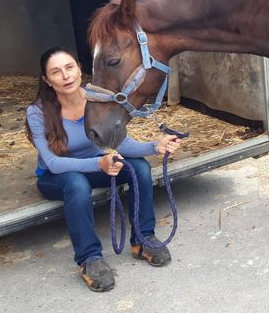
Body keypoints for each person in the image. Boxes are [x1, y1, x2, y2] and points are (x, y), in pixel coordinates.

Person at [24, 47, 182, 292]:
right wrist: (98, 163)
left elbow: (120, 142)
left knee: (139, 167)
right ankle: (89, 259)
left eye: (69, 68)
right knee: (77, 184)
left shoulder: (96, 98)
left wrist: (155, 146)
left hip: (98, 167)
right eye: (56, 72)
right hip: (56, 177)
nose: (65, 76)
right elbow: (53, 163)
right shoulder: (37, 112)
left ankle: (143, 238)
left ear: (79, 69)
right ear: (47, 80)